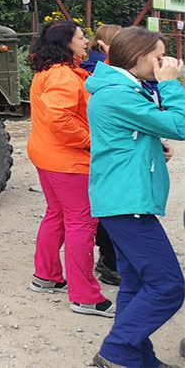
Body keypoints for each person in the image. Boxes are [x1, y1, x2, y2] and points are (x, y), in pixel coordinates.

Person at [85, 27, 185, 368]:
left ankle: (139, 358)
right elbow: (180, 124)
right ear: (134, 57)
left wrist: (152, 147)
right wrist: (171, 83)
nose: (163, 63)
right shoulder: (118, 92)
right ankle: (117, 352)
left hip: (122, 197)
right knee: (168, 285)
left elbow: (127, 135)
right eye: (157, 57)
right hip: (127, 202)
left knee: (137, 282)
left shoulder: (123, 87)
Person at [27, 20, 114, 317]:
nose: (85, 40)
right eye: (80, 36)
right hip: (68, 161)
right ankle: (85, 295)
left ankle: (47, 276)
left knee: (57, 214)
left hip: (48, 156)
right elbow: (59, 119)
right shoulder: (63, 76)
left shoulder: (49, 71)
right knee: (82, 223)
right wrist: (90, 141)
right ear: (66, 43)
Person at [80, 23, 124, 286]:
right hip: (107, 149)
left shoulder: (93, 70)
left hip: (102, 147)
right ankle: (110, 262)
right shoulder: (100, 73)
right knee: (112, 208)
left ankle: (109, 259)